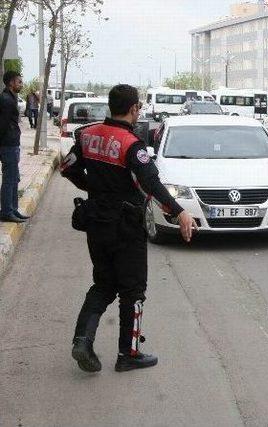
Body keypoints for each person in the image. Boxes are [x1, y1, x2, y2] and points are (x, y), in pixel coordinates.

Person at [61, 84, 197, 373]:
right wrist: (181, 212)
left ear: (111, 106)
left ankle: (82, 341)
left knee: (103, 283)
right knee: (132, 290)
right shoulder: (130, 144)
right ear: (134, 108)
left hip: (96, 221)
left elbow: (67, 168)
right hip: (125, 226)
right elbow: (151, 184)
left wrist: (95, 189)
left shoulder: (87, 135)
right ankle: (129, 354)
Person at [0, 71, 29, 223]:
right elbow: (3, 125)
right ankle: (6, 211)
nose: (21, 84)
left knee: (14, 178)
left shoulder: (10, 97)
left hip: (12, 144)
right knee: (9, 179)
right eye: (19, 82)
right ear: (11, 83)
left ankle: (13, 209)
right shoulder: (6, 100)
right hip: (8, 145)